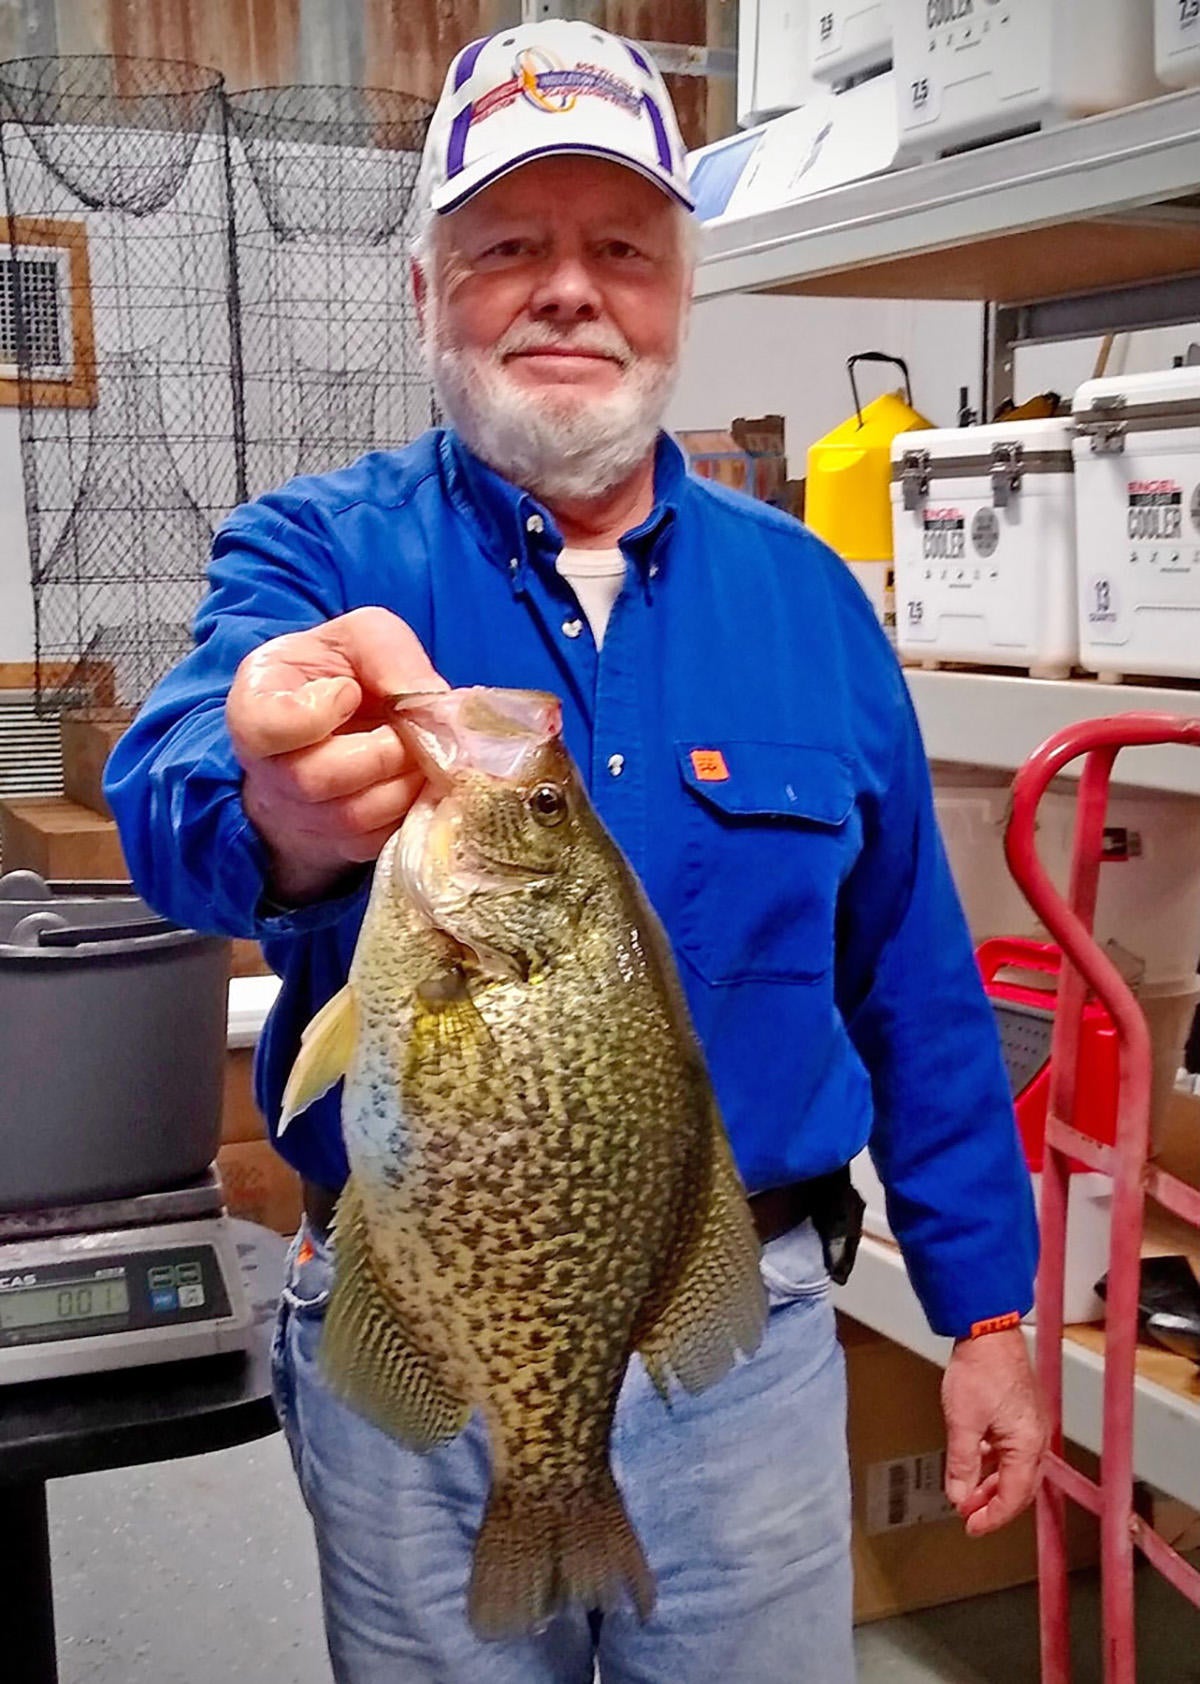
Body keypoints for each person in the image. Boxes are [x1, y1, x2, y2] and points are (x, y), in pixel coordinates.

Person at [106, 21, 1047, 1684]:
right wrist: (272, 808)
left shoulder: (813, 599)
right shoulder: (313, 552)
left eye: (620, 246)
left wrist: (985, 1312)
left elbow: (915, 982)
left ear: (680, 294)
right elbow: (173, 799)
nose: (568, 289)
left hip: (736, 1343)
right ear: (426, 295)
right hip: (418, 1298)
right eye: (507, 247)